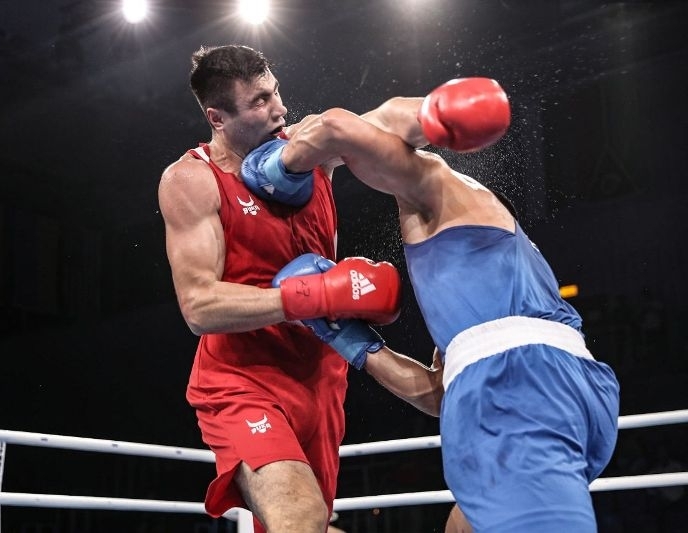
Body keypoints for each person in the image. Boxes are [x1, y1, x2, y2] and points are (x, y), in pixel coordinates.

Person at [241, 78, 621, 532]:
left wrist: (280, 163)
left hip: (520, 385)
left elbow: (338, 127)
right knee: (463, 525)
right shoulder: (475, 288)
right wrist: (351, 340)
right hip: (540, 388)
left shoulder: (440, 187)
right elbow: (440, 394)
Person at [157, 44, 444, 533]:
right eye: (259, 102)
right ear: (217, 118)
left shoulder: (306, 148)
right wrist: (314, 296)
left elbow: (381, 123)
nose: (280, 109)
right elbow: (199, 305)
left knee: (309, 522)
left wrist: (441, 114)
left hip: (321, 379)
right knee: (300, 516)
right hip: (242, 380)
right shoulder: (192, 179)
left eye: (275, 92)